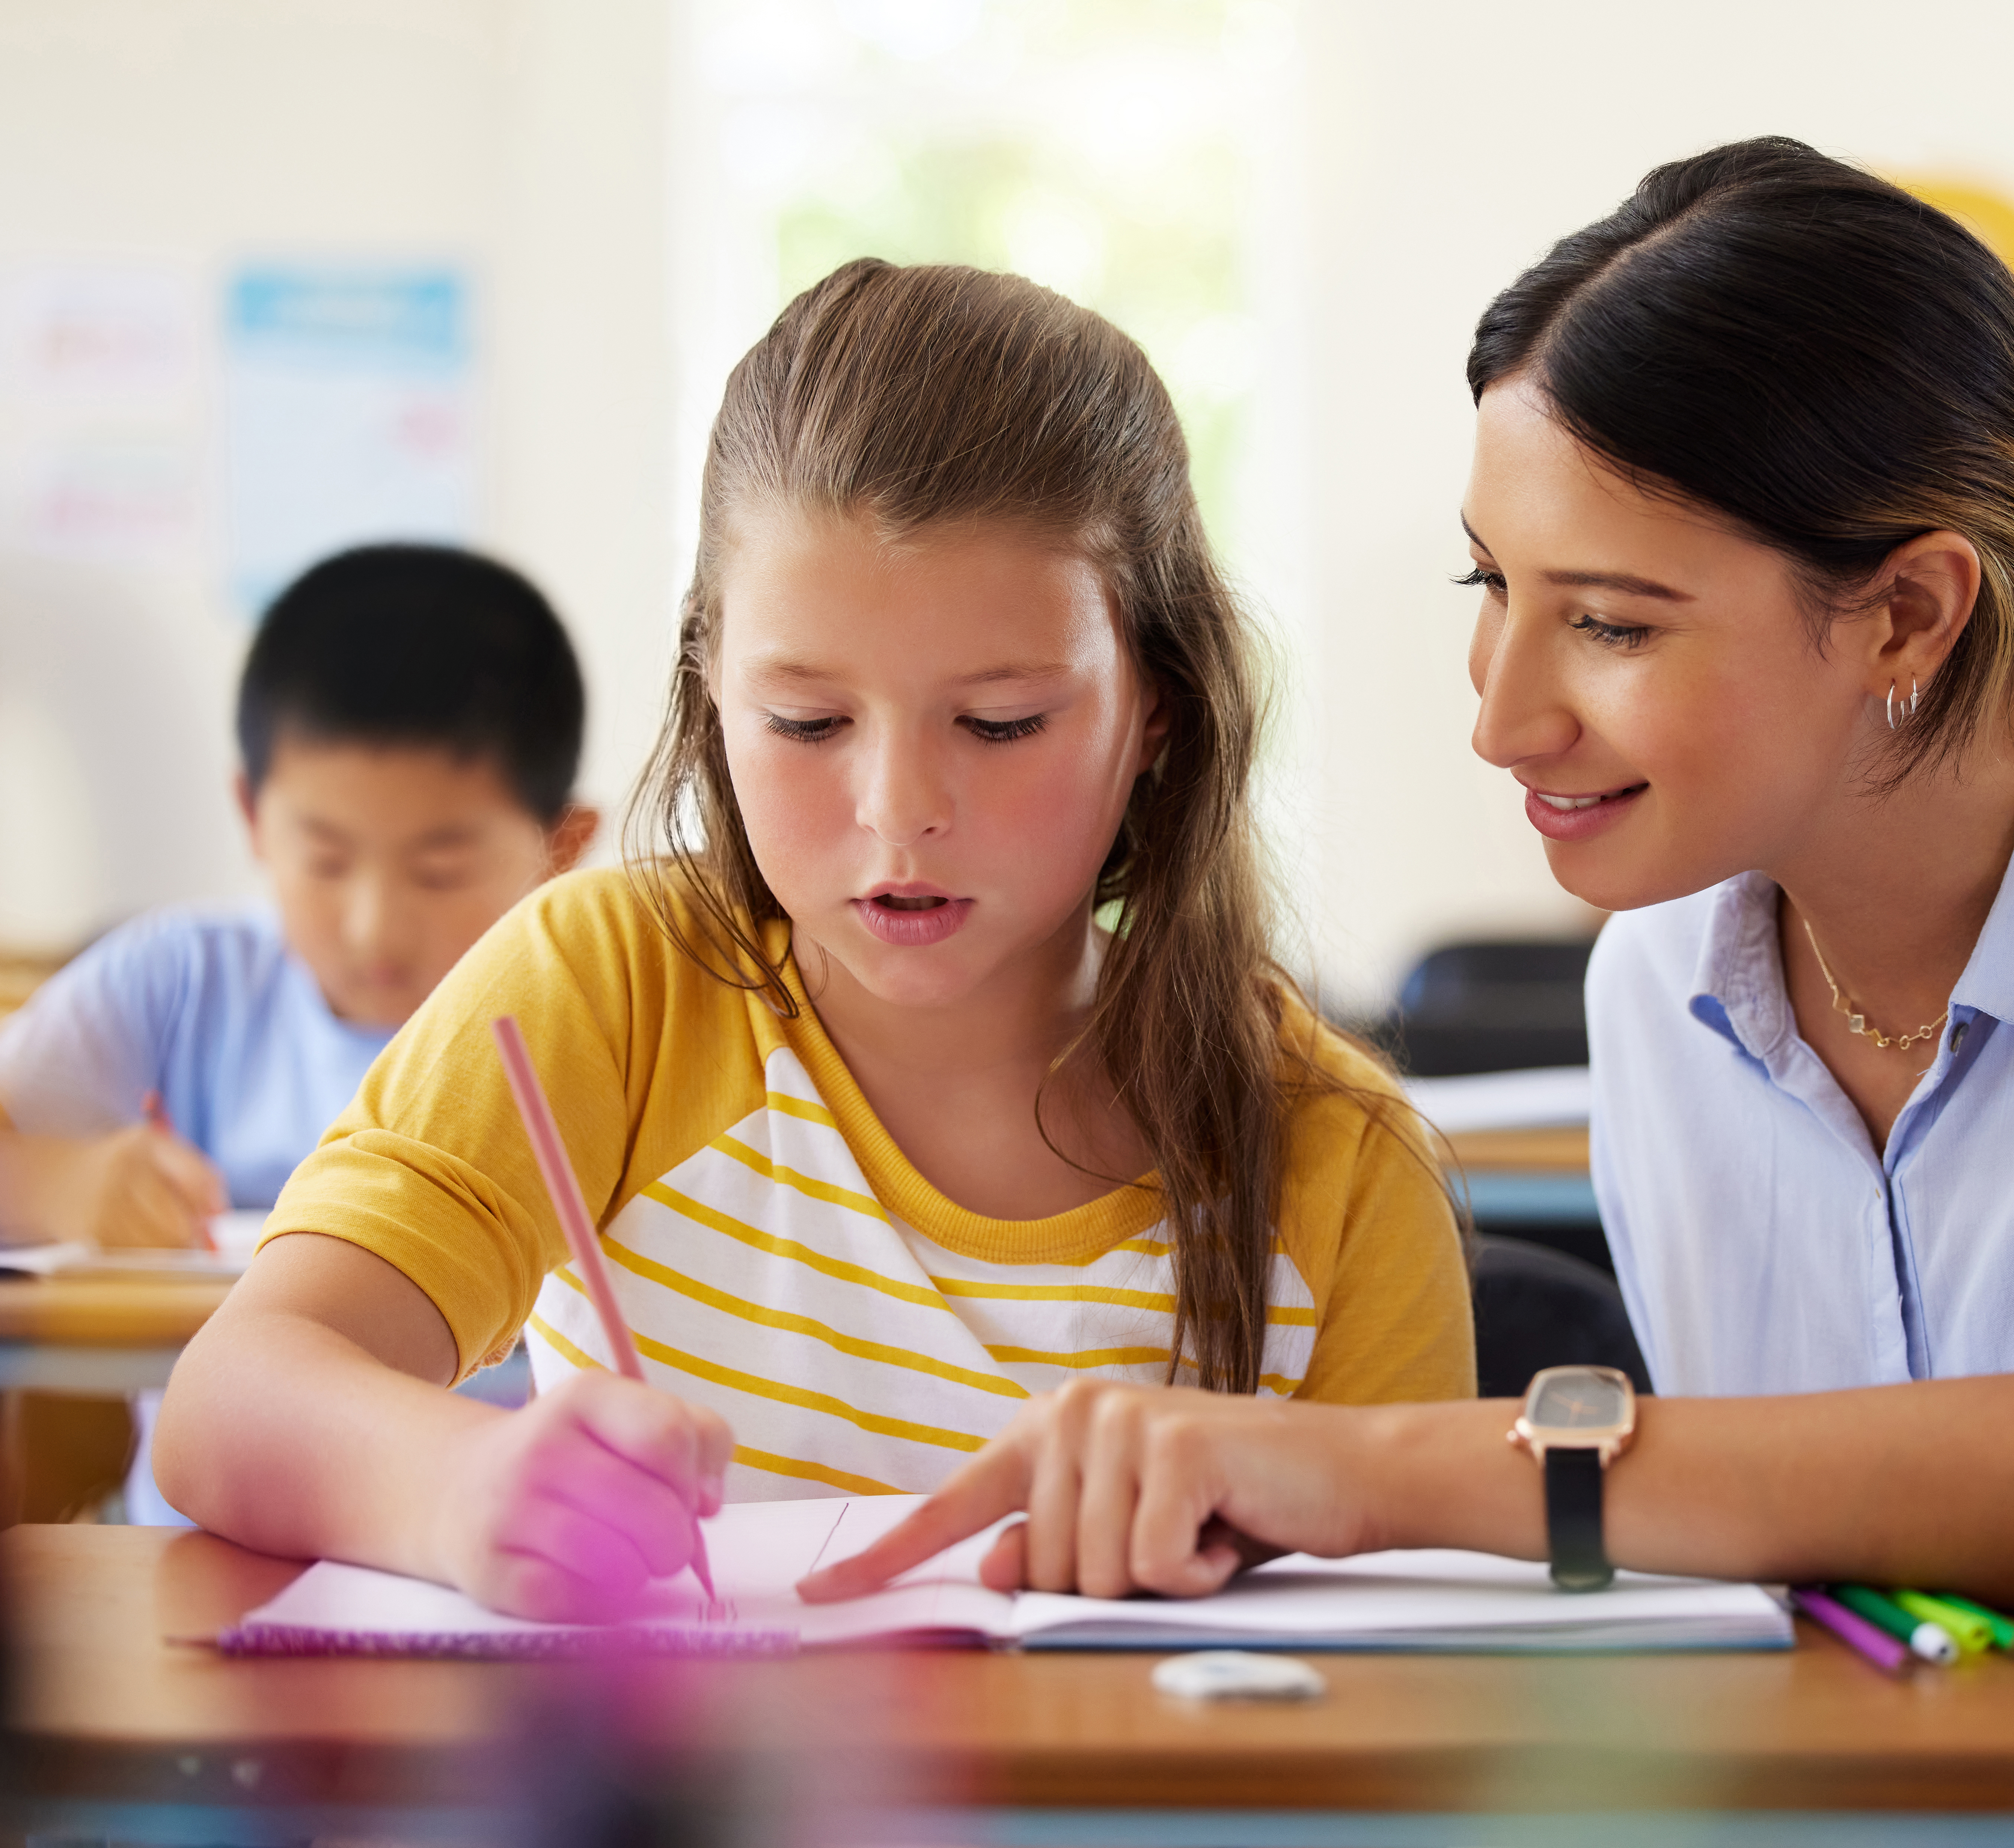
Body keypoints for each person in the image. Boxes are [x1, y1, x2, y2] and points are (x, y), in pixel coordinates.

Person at [801, 140, 2014, 1846]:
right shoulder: (1665, 987)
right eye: (1491, 589)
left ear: (1907, 613)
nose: (1500, 714)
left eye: (1608, 622)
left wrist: (1368, 1468)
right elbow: (1839, 1634)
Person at [155, 261, 1474, 1619]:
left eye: (1002, 723)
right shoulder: (613, 985)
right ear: (712, 694)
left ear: (1159, 712)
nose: (898, 810)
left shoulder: (1342, 1168)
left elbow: (1413, 1669)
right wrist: (460, 1486)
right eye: (807, 722)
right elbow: (229, 1399)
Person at [0, 542, 596, 1521]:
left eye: (439, 868)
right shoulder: (182, 979)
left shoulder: (596, 1017)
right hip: (200, 1543)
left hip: (493, 1539)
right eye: (325, 858)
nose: (373, 926)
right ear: (251, 814)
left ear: (562, 846)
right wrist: (59, 1182)